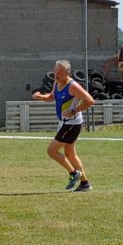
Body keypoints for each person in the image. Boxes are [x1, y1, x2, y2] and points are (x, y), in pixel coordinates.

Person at [32, 60, 95, 192]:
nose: (56, 75)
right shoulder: (57, 82)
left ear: (68, 73)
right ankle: (85, 184)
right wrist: (40, 97)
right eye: (55, 72)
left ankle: (73, 174)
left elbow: (89, 100)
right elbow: (51, 97)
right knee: (70, 154)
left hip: (72, 124)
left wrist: (73, 111)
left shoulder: (72, 86)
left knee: (51, 151)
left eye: (60, 72)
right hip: (64, 123)